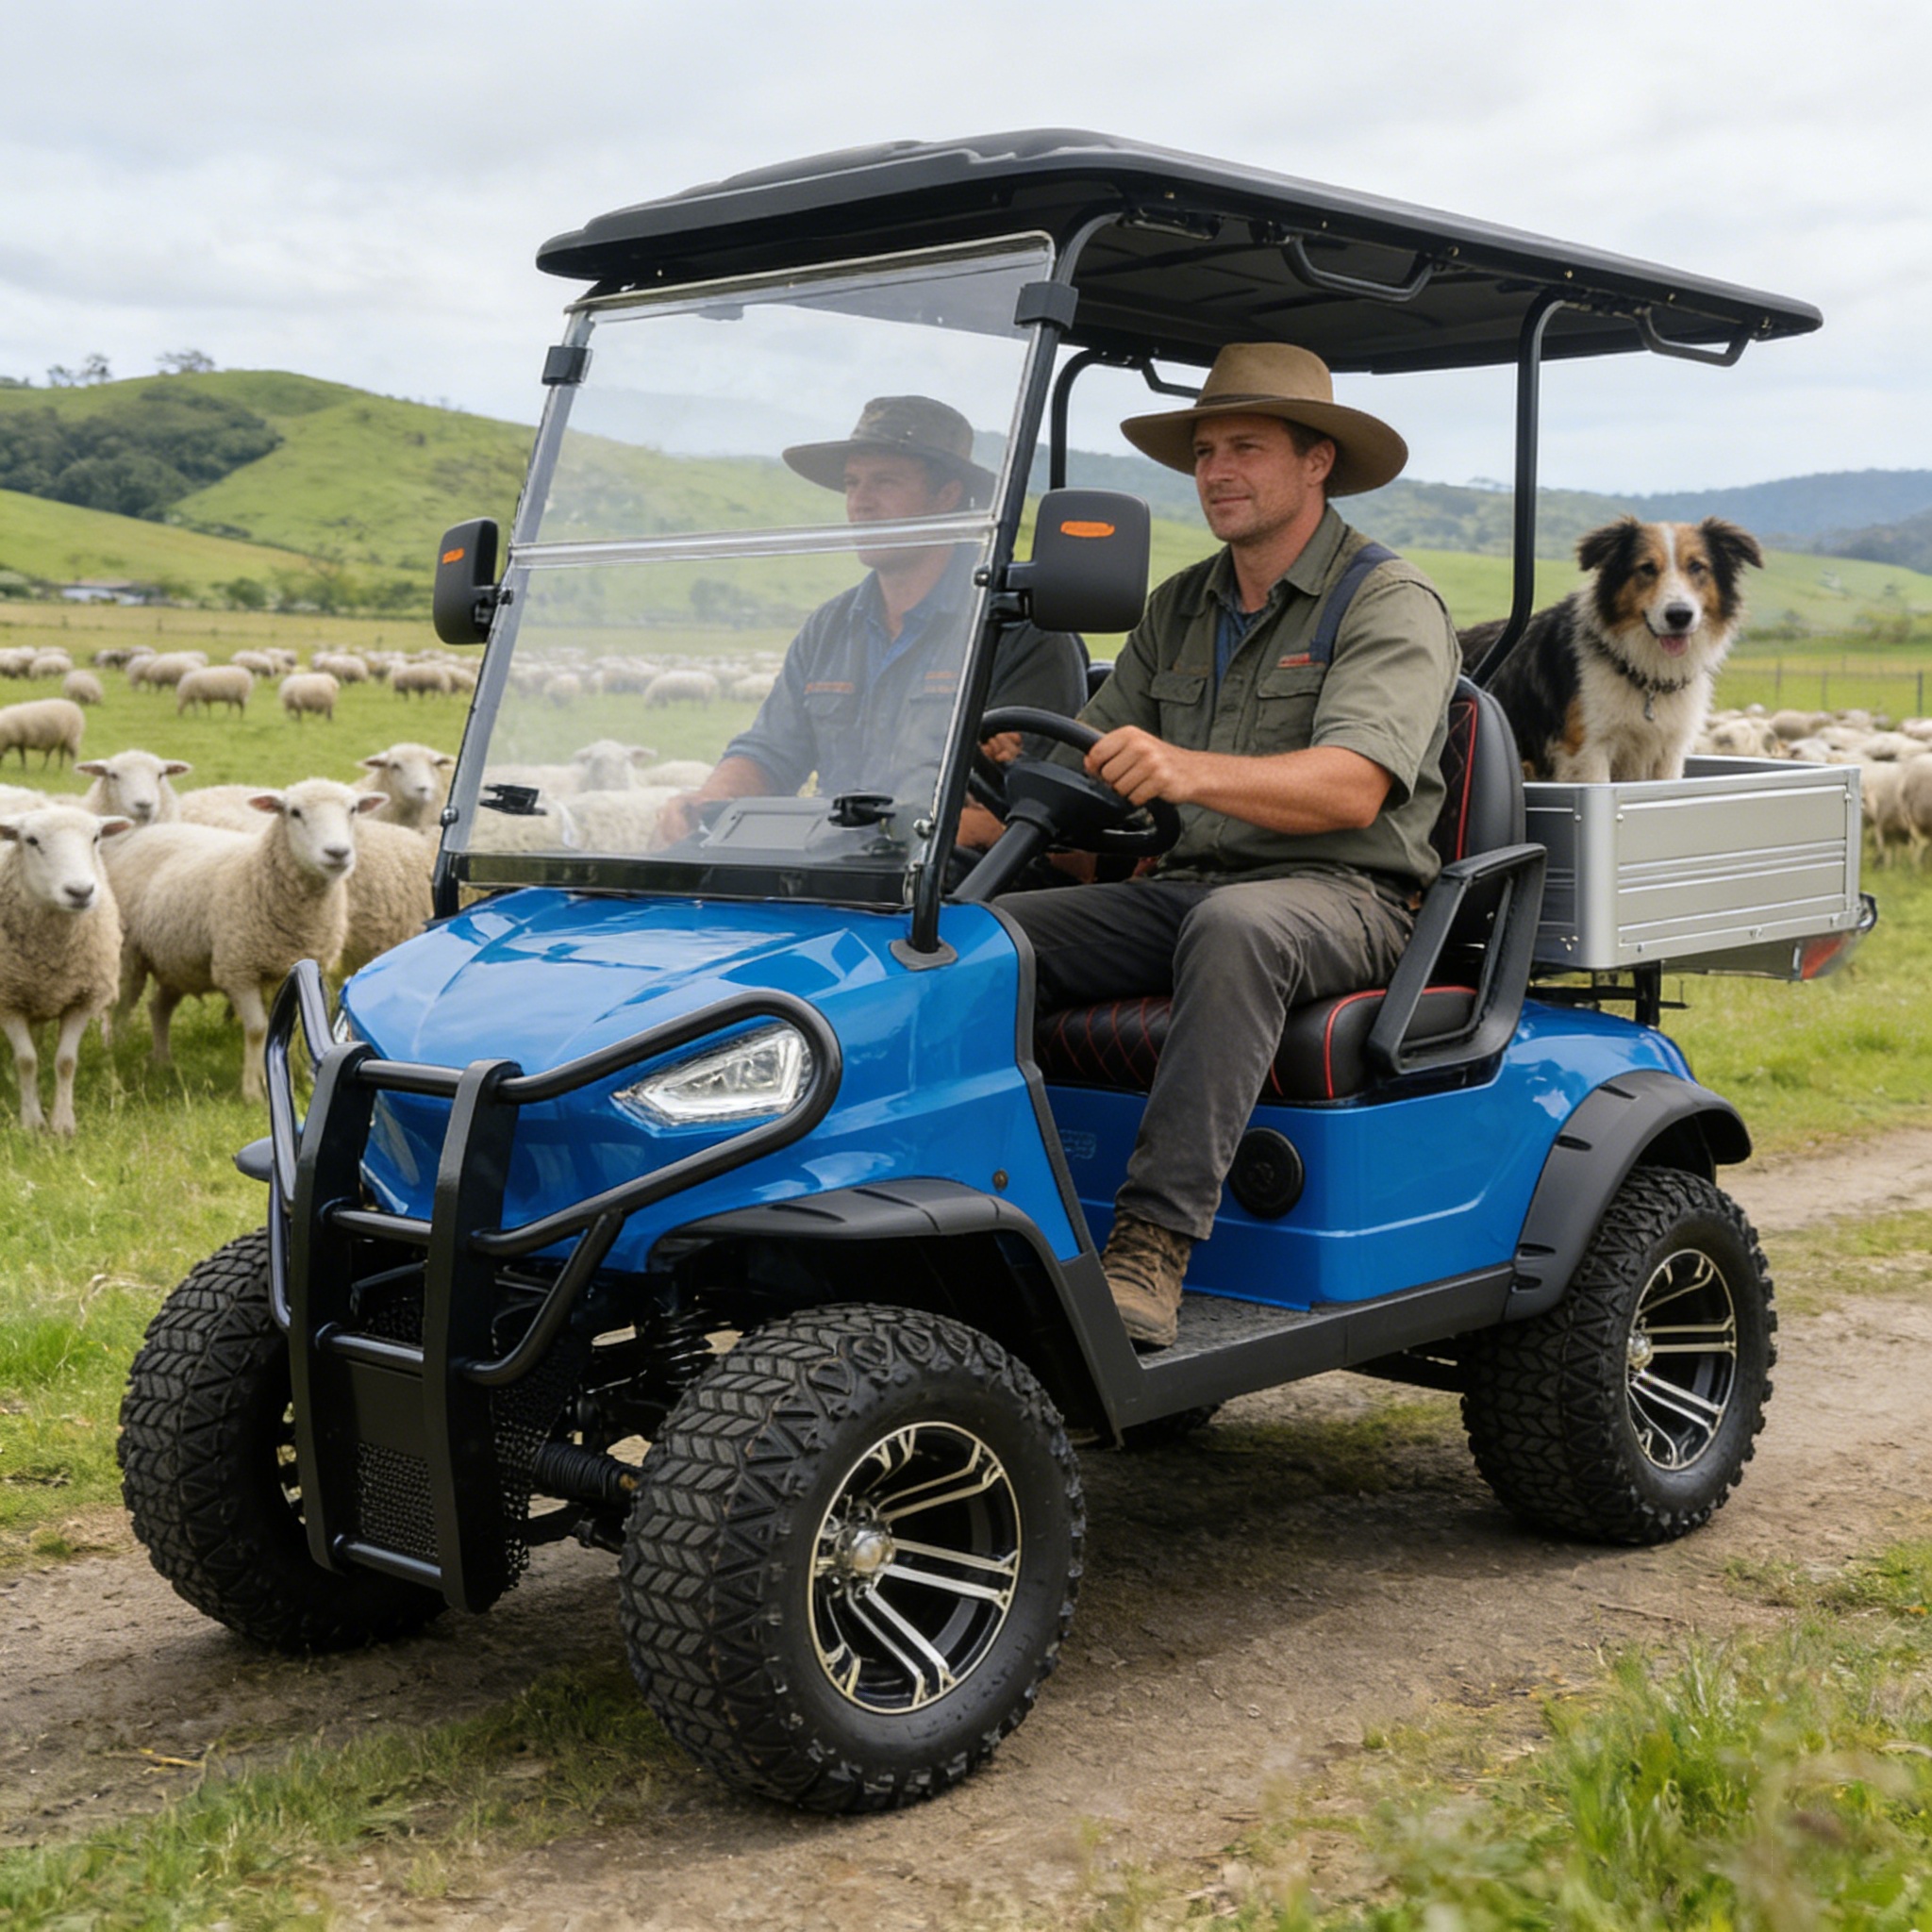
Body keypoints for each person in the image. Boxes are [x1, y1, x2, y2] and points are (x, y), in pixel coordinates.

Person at [999, 341, 1462, 1350]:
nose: (1216, 472)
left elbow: (1353, 783)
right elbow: (1092, 758)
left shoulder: (1386, 601)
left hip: (1347, 896)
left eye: (1244, 447)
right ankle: (995, 1215)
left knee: (1235, 925)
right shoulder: (1180, 605)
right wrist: (1012, 779)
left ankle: (1151, 1246)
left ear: (1315, 463)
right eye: (1204, 450)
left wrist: (1182, 767)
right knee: (978, 939)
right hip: (1185, 887)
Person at [654, 396, 1084, 845]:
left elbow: (1024, 816)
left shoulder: (1018, 633)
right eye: (852, 483)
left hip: (945, 882)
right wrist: (708, 802)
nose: (861, 503)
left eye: (885, 482)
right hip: (828, 862)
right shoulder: (831, 628)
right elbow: (771, 751)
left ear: (946, 496)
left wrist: (893, 837)